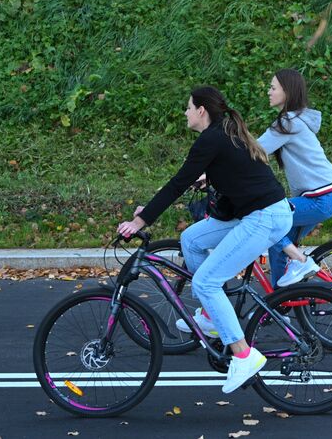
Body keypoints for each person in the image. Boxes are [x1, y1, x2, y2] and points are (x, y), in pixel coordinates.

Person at [117, 86, 291, 395]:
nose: (184, 113)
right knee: (192, 239)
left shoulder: (211, 138)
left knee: (206, 283)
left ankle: (243, 354)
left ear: (201, 111)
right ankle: (213, 315)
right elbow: (228, 176)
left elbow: (177, 184)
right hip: (256, 212)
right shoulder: (224, 131)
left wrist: (139, 222)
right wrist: (153, 207)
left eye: (187, 107)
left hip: (264, 217)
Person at [257, 68, 332, 287]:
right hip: (323, 197)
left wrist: (214, 167)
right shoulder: (294, 121)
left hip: (318, 200)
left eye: (273, 88)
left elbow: (254, 151)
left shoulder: (287, 123)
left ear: (287, 92)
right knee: (278, 244)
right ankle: (278, 302)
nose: (269, 91)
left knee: (269, 220)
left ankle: (301, 261)